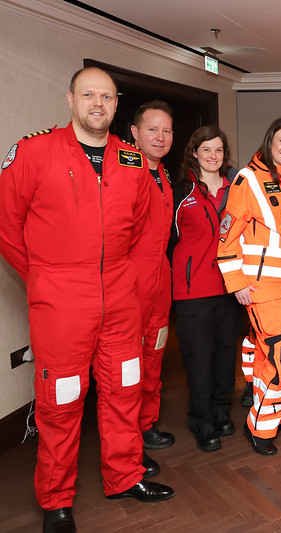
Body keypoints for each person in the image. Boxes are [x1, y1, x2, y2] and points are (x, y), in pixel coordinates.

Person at [0, 66, 174, 533]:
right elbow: (6, 224)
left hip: (120, 295)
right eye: (89, 95)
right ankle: (56, 500)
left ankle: (125, 476)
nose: (98, 104)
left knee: (124, 388)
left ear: (117, 104)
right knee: (62, 401)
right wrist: (41, 278)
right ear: (70, 99)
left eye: (107, 97)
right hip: (61, 299)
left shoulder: (132, 159)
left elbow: (142, 230)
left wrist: (130, 284)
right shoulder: (34, 152)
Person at [218, 118, 281, 456]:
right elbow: (227, 237)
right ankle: (258, 428)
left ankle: (271, 412)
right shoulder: (247, 180)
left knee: (268, 358)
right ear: (270, 140)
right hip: (262, 290)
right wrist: (236, 282)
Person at [169, 126, 242, 453]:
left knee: (226, 355)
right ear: (194, 152)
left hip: (230, 287)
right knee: (199, 359)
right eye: (207, 150)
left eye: (219, 150)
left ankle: (221, 411)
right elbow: (167, 241)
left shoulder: (237, 189)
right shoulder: (180, 190)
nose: (213, 156)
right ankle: (201, 419)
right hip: (192, 290)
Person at [129, 100, 176, 478]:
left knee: (154, 355)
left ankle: (147, 424)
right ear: (135, 132)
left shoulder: (165, 176)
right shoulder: (126, 173)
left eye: (166, 131)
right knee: (126, 368)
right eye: (152, 129)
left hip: (161, 283)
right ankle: (127, 440)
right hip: (130, 287)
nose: (160, 137)